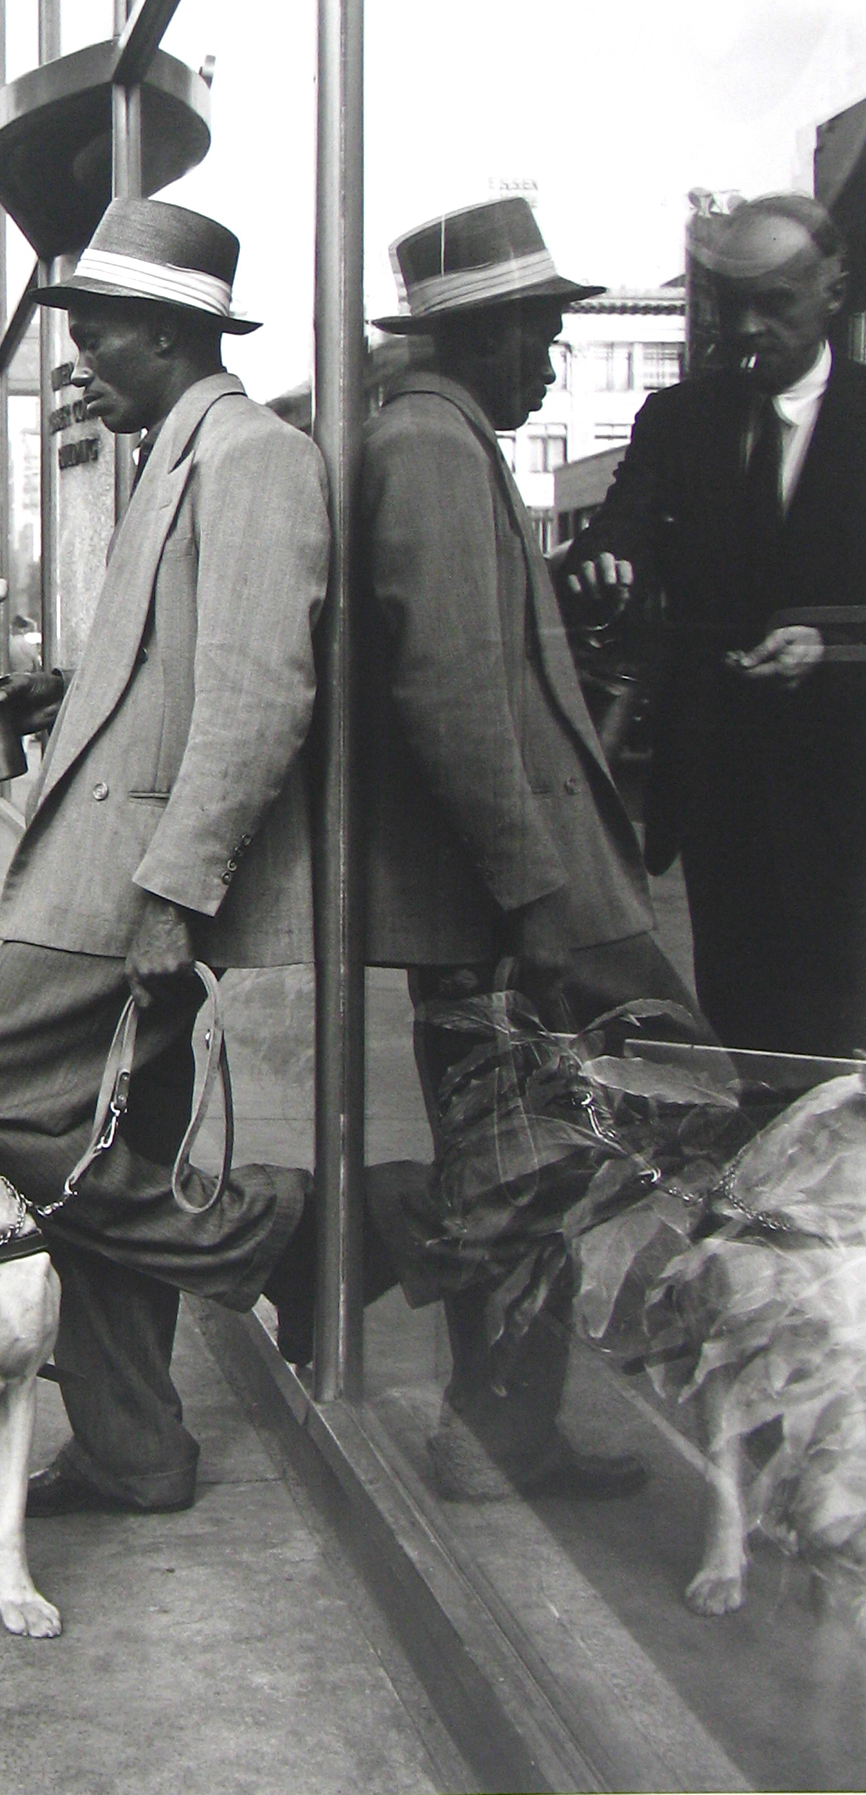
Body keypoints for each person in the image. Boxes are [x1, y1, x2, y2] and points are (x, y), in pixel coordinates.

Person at [0, 198, 327, 1517]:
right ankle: (134, 1447)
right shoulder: (172, 453)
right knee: (109, 1142)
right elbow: (177, 665)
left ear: (167, 332)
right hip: (106, 861)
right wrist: (68, 686)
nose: (79, 360)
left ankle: (268, 1234)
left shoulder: (255, 456)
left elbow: (259, 692)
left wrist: (174, 890)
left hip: (128, 883)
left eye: (97, 335)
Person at [359, 196, 705, 1500]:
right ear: (486, 334)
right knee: (525, 1164)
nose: (552, 363)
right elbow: (448, 689)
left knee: (539, 1156)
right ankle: (482, 1421)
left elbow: (462, 647)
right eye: (541, 338)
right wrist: (537, 898)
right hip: (507, 902)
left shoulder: (436, 440)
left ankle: (510, 1427)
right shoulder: (434, 448)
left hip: (503, 894)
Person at [567, 194, 866, 1059]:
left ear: (834, 290)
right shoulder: (679, 421)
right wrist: (607, 563)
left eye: (775, 303)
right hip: (721, 793)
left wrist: (832, 649)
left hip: (848, 790)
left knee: (840, 1043)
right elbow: (620, 527)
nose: (747, 328)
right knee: (741, 1032)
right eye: (733, 305)